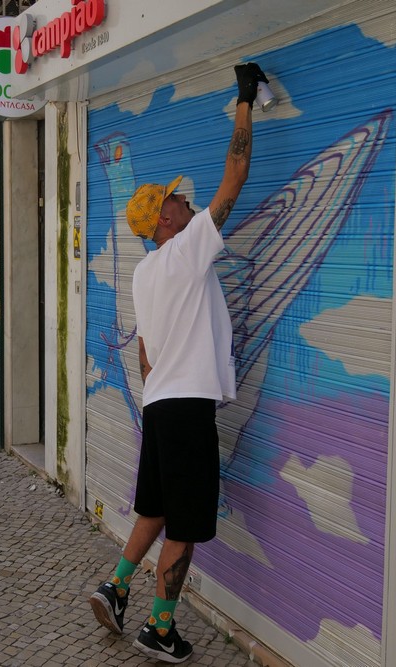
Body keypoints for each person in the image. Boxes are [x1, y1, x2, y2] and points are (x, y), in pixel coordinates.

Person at [87, 62, 263, 664]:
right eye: (177, 199)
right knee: (184, 524)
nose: (186, 200)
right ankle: (159, 628)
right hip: (184, 408)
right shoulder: (187, 249)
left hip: (160, 403)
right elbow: (235, 176)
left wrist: (159, 387)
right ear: (166, 220)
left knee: (156, 508)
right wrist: (245, 99)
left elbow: (143, 351)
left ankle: (115, 587)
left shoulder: (144, 273)